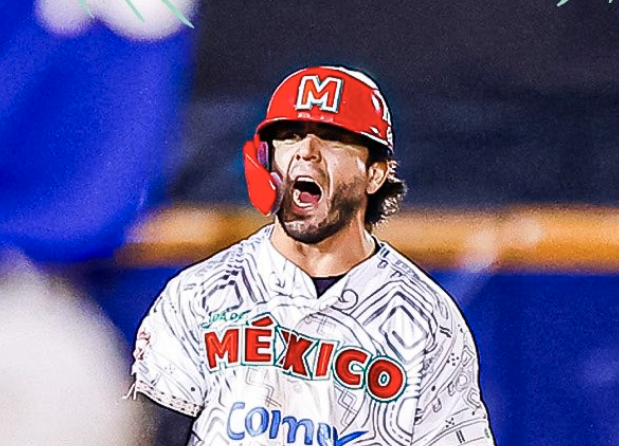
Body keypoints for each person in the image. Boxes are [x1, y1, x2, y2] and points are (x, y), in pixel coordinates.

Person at [128, 66, 495, 446]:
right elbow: (152, 436)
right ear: (267, 159)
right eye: (290, 136)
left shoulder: (426, 318)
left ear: (374, 174)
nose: (307, 152)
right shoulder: (200, 294)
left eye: (332, 138)